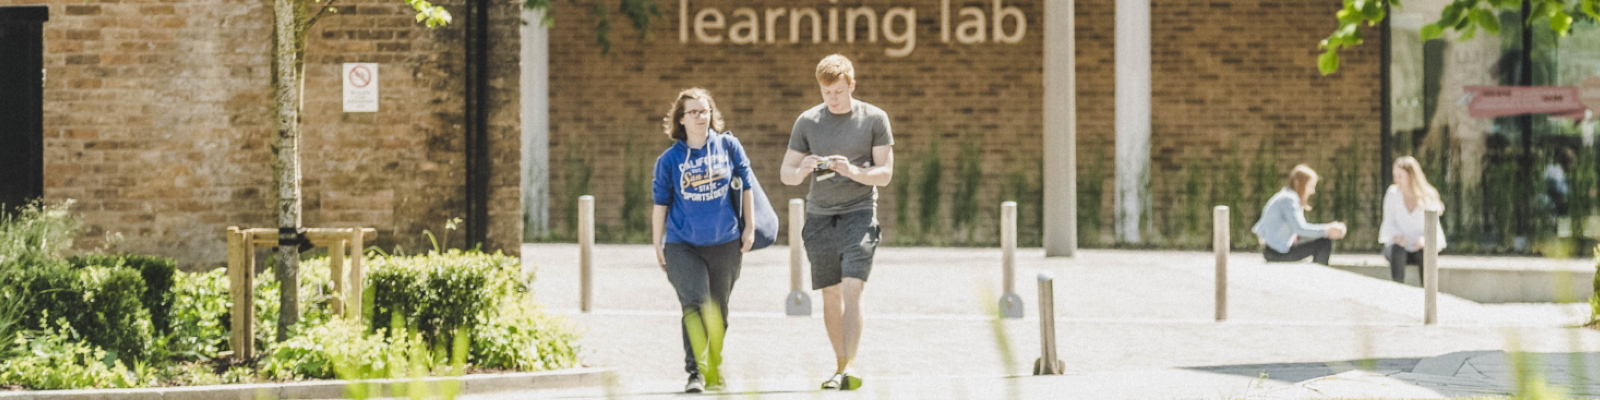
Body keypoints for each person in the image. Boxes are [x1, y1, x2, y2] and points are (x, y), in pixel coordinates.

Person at [779, 54, 894, 391]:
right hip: (819, 217)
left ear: (852, 85)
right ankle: (840, 365)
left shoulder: (874, 119)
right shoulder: (807, 122)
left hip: (859, 212)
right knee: (830, 293)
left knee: (852, 286)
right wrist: (804, 168)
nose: (833, 98)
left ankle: (850, 368)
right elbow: (786, 174)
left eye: (839, 91)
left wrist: (853, 171)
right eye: (827, 92)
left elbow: (885, 175)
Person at [651, 87, 756, 393]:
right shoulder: (669, 160)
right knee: (695, 303)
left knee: (718, 311)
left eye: (705, 110)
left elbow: (746, 185)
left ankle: (714, 366)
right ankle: (695, 371)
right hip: (683, 244)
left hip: (725, 242)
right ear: (681, 119)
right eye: (693, 112)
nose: (700, 117)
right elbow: (661, 203)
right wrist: (657, 243)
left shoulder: (728, 146)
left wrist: (749, 227)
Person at [1251, 164, 1347, 265]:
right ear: (1298, 183)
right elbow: (1300, 229)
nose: (1313, 191)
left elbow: (1299, 231)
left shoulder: (1287, 197)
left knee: (1322, 238)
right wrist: (1327, 230)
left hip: (1273, 249)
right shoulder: (1289, 200)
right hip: (1276, 252)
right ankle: (1320, 277)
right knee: (1323, 242)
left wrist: (1327, 229)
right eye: (1310, 186)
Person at [1378, 156, 1446, 283]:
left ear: (1411, 176)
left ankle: (1427, 296)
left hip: (1419, 248)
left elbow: (1435, 228)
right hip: (1398, 248)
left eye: (1400, 176)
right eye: (1395, 175)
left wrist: (1425, 240)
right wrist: (1396, 237)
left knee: (1425, 253)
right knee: (1397, 251)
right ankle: (1398, 290)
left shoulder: (1428, 195)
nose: (1396, 180)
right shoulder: (1392, 194)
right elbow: (1387, 223)